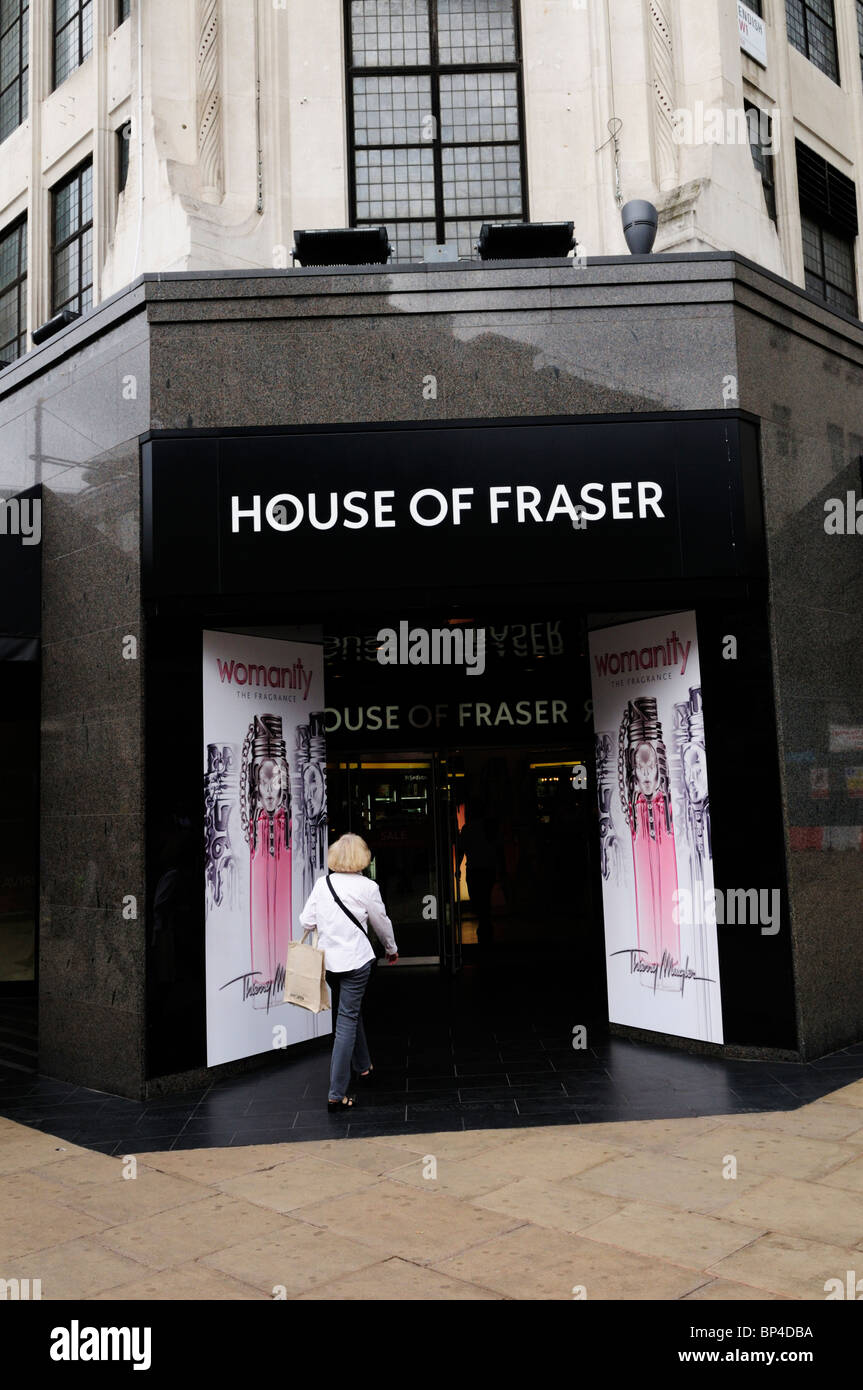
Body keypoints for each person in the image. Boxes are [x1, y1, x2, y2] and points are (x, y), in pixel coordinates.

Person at [299, 833, 398, 1112]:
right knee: (346, 1021)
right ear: (362, 858)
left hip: (329, 963)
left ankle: (363, 1066)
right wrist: (391, 948)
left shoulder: (323, 884)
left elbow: (306, 920)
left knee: (349, 1012)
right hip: (356, 962)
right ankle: (336, 1093)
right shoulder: (368, 887)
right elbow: (381, 922)